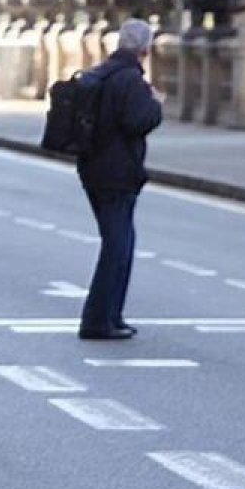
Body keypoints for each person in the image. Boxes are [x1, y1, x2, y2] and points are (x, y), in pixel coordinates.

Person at [76, 18, 163, 340]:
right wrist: (156, 105)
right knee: (118, 247)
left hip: (93, 169)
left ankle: (111, 316)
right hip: (118, 174)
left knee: (118, 244)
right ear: (145, 49)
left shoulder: (103, 72)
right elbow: (137, 121)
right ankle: (99, 319)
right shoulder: (130, 80)